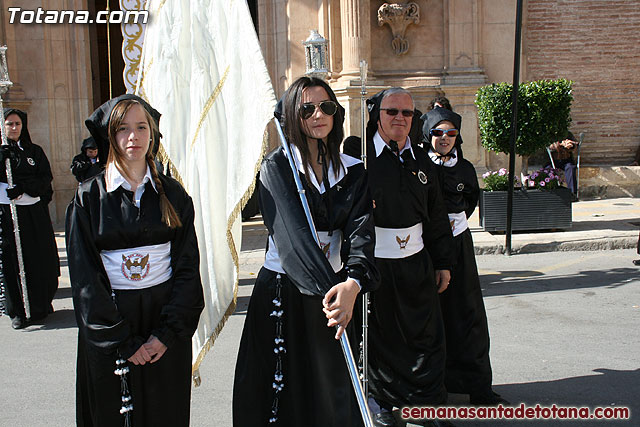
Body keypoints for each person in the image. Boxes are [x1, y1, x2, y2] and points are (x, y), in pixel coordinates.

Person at [233, 76, 379, 426]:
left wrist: (354, 283)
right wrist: (334, 293)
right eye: (307, 108)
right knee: (283, 391)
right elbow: (293, 240)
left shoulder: (353, 171)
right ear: (291, 116)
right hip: (286, 291)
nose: (318, 115)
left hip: (336, 295)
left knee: (331, 390)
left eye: (326, 107)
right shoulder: (276, 169)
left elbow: (361, 234)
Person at [66, 94, 204, 427]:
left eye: (142, 127)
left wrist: (166, 335)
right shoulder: (88, 199)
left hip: (162, 324)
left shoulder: (173, 195)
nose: (134, 137)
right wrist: (123, 341)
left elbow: (187, 270)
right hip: (112, 328)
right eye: (123, 129)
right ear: (109, 136)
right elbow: (86, 283)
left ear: (152, 134)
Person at [344, 88, 455, 427]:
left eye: (407, 113)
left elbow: (436, 216)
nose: (400, 119)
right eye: (392, 111)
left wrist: (443, 262)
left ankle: (425, 405)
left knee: (424, 337)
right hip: (374, 265)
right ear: (377, 114)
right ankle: (378, 402)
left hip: (417, 265)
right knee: (378, 338)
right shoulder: (358, 159)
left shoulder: (422, 160)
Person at [422, 106, 507, 405]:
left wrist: (455, 223)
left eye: (451, 133)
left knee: (468, 314)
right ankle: (433, 388)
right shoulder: (419, 166)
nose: (444, 138)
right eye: (438, 132)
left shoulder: (465, 167)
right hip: (428, 249)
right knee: (431, 317)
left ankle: (478, 385)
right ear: (427, 134)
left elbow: (470, 198)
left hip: (459, 246)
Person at [1, 108, 60, 329]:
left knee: (39, 257)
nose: (14, 128)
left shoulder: (34, 151)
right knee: (12, 260)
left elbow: (46, 177)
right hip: (9, 215)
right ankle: (17, 310)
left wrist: (24, 188)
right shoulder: (2, 152)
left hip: (33, 212)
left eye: (17, 124)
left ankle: (40, 304)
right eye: (9, 124)